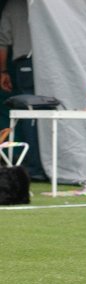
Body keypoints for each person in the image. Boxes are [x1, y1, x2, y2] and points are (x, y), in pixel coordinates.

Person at [0, 0, 46, 180]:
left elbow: (3, 40)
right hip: (48, 60)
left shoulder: (13, 5)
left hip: (24, 62)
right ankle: (40, 165)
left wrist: (3, 71)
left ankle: (35, 167)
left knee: (29, 114)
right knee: (39, 114)